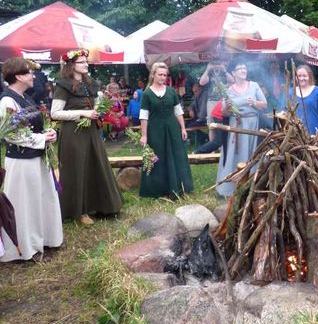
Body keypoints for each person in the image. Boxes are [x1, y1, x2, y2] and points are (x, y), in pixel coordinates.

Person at [0, 57, 63, 261]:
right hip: (21, 162)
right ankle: (25, 248)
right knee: (25, 205)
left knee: (42, 198)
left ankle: (45, 239)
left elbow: (32, 126)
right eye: (28, 72)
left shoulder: (25, 98)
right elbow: (10, 134)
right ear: (18, 76)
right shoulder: (7, 101)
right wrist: (41, 138)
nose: (33, 75)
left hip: (36, 157)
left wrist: (47, 132)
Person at [51, 48, 123, 225]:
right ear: (71, 65)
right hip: (73, 134)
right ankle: (79, 211)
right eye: (81, 62)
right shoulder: (63, 85)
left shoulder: (91, 83)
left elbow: (97, 106)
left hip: (91, 131)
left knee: (95, 164)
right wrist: (82, 114)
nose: (86, 64)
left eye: (86, 61)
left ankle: (101, 205)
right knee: (77, 168)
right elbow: (55, 113)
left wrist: (100, 111)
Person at [139, 62, 193, 198]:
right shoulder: (147, 94)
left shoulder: (171, 91)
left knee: (176, 156)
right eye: (160, 74)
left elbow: (178, 111)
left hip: (172, 129)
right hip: (155, 130)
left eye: (165, 75)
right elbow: (144, 116)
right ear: (153, 75)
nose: (163, 77)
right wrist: (144, 136)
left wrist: (183, 128)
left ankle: (179, 187)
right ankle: (159, 189)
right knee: (159, 158)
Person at [216, 60, 267, 197]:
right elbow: (224, 113)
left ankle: (252, 185)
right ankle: (231, 189)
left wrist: (254, 102)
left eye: (245, 68)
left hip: (252, 124)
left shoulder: (254, 86)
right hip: (237, 124)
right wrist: (227, 106)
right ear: (233, 73)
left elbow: (264, 104)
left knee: (252, 153)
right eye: (240, 68)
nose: (244, 70)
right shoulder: (227, 90)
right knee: (236, 154)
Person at [295, 65, 318, 144]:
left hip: (314, 134)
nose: (301, 78)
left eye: (304, 76)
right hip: (295, 135)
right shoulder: (290, 92)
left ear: (309, 76)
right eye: (299, 76)